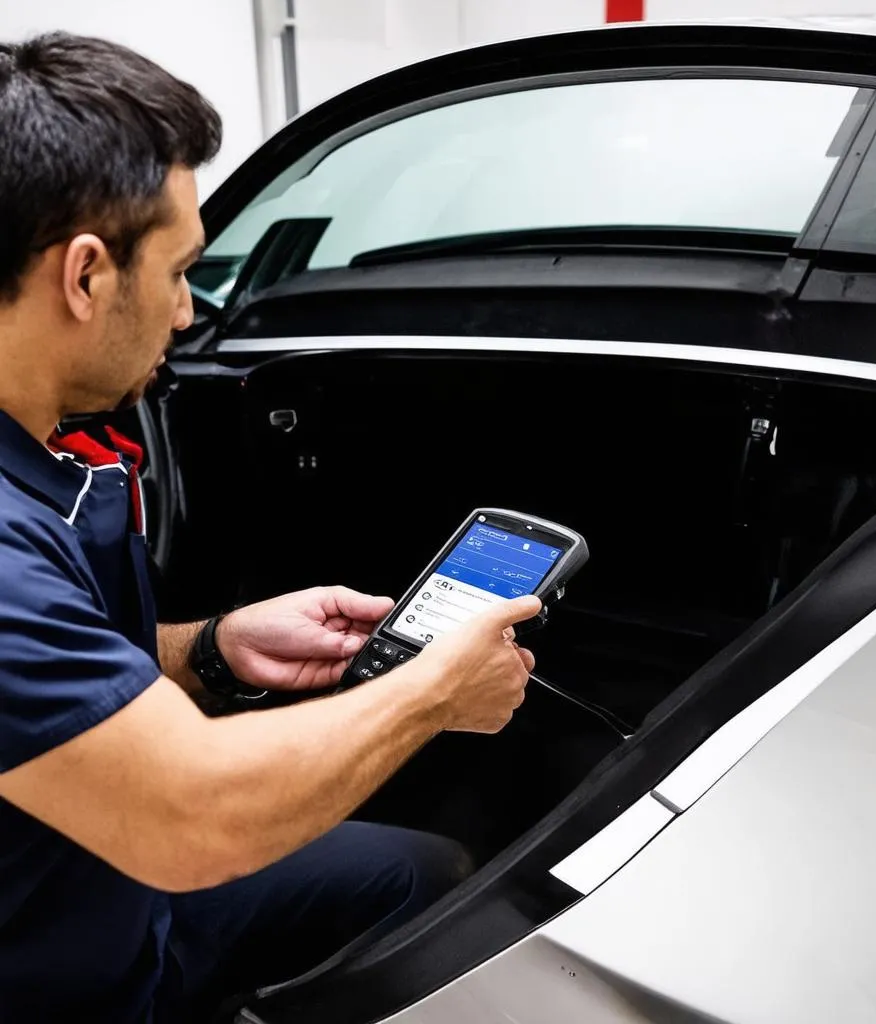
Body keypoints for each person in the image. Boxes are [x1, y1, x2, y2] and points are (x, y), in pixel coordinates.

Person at [0, 32, 541, 1023]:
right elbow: (190, 817)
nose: (184, 312)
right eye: (176, 272)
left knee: (420, 878)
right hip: (57, 970)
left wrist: (211, 649)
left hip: (95, 880)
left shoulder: (41, 445)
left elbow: (46, 683)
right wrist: (434, 691)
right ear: (84, 276)